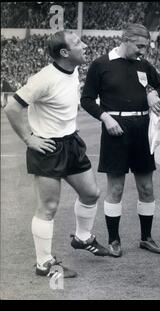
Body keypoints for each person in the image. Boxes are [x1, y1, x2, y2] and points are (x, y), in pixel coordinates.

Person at [4, 30, 109, 279]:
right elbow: (12, 107)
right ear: (64, 53)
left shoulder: (73, 70)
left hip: (71, 142)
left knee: (91, 193)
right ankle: (44, 263)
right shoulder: (44, 78)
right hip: (48, 148)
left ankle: (83, 238)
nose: (84, 45)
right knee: (48, 207)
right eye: (77, 43)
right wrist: (30, 139)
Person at [81, 23, 160, 257]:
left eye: (146, 47)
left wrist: (154, 92)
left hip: (142, 130)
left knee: (146, 187)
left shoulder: (143, 65)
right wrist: (105, 118)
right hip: (115, 130)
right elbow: (87, 99)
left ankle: (146, 238)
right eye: (140, 46)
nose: (143, 51)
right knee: (116, 188)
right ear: (125, 39)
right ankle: (114, 240)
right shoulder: (101, 65)